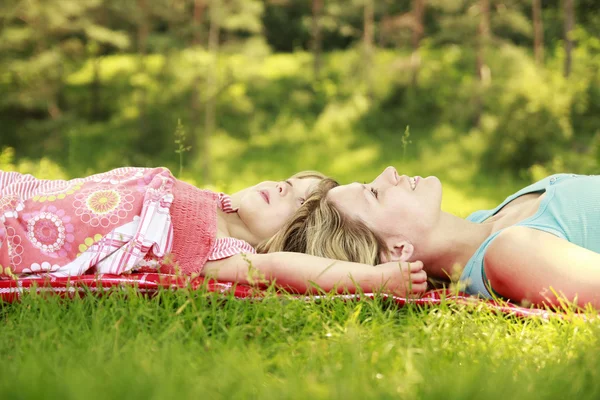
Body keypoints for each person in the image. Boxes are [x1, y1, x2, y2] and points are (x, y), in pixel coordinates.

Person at [0, 167, 427, 296]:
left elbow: (279, 268)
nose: (281, 187)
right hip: (32, 194)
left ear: (290, 235)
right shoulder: (213, 200)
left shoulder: (223, 250)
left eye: (296, 202)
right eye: (289, 182)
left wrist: (373, 280)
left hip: (27, 236)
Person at [264, 166, 600, 309]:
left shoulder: (485, 222)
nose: (388, 173)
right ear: (397, 250)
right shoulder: (508, 252)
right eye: (375, 193)